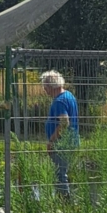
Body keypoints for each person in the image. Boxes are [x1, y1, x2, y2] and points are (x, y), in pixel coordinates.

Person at [41, 70, 78, 198]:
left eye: (45, 87)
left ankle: (64, 201)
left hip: (61, 144)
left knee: (59, 174)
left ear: (51, 86)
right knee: (64, 173)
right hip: (71, 141)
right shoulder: (69, 95)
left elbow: (64, 122)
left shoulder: (59, 101)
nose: (44, 90)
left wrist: (51, 141)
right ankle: (67, 199)